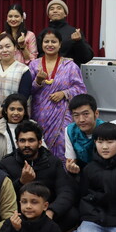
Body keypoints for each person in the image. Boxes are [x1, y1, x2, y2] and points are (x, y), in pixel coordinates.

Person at [0, 122, 79, 232]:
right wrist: (21, 182)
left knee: (72, 214)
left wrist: (51, 211)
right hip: (21, 212)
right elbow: (2, 196)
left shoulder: (53, 162)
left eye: (31, 140)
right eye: (22, 141)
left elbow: (65, 191)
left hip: (47, 212)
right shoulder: (7, 163)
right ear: (17, 143)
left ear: (40, 143)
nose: (26, 145)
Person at [29, 28, 87, 161]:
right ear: (41, 44)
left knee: (63, 146)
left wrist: (64, 93)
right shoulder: (34, 65)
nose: (50, 44)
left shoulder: (70, 66)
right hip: (39, 116)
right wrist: (38, 81)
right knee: (39, 147)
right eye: (46, 41)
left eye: (53, 41)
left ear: (60, 44)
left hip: (62, 116)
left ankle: (64, 173)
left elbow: (81, 89)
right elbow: (28, 91)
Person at [40, 0, 94, 66]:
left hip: (70, 71)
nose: (55, 11)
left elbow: (86, 58)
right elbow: (39, 56)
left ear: (65, 14)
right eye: (51, 9)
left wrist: (79, 42)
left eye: (59, 8)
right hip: (47, 71)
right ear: (48, 15)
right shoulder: (43, 33)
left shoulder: (74, 33)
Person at [64, 94, 105, 174]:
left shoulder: (105, 130)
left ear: (96, 113)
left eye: (86, 114)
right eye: (76, 115)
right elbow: (71, 160)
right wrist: (71, 167)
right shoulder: (70, 130)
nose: (81, 120)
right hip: (82, 170)